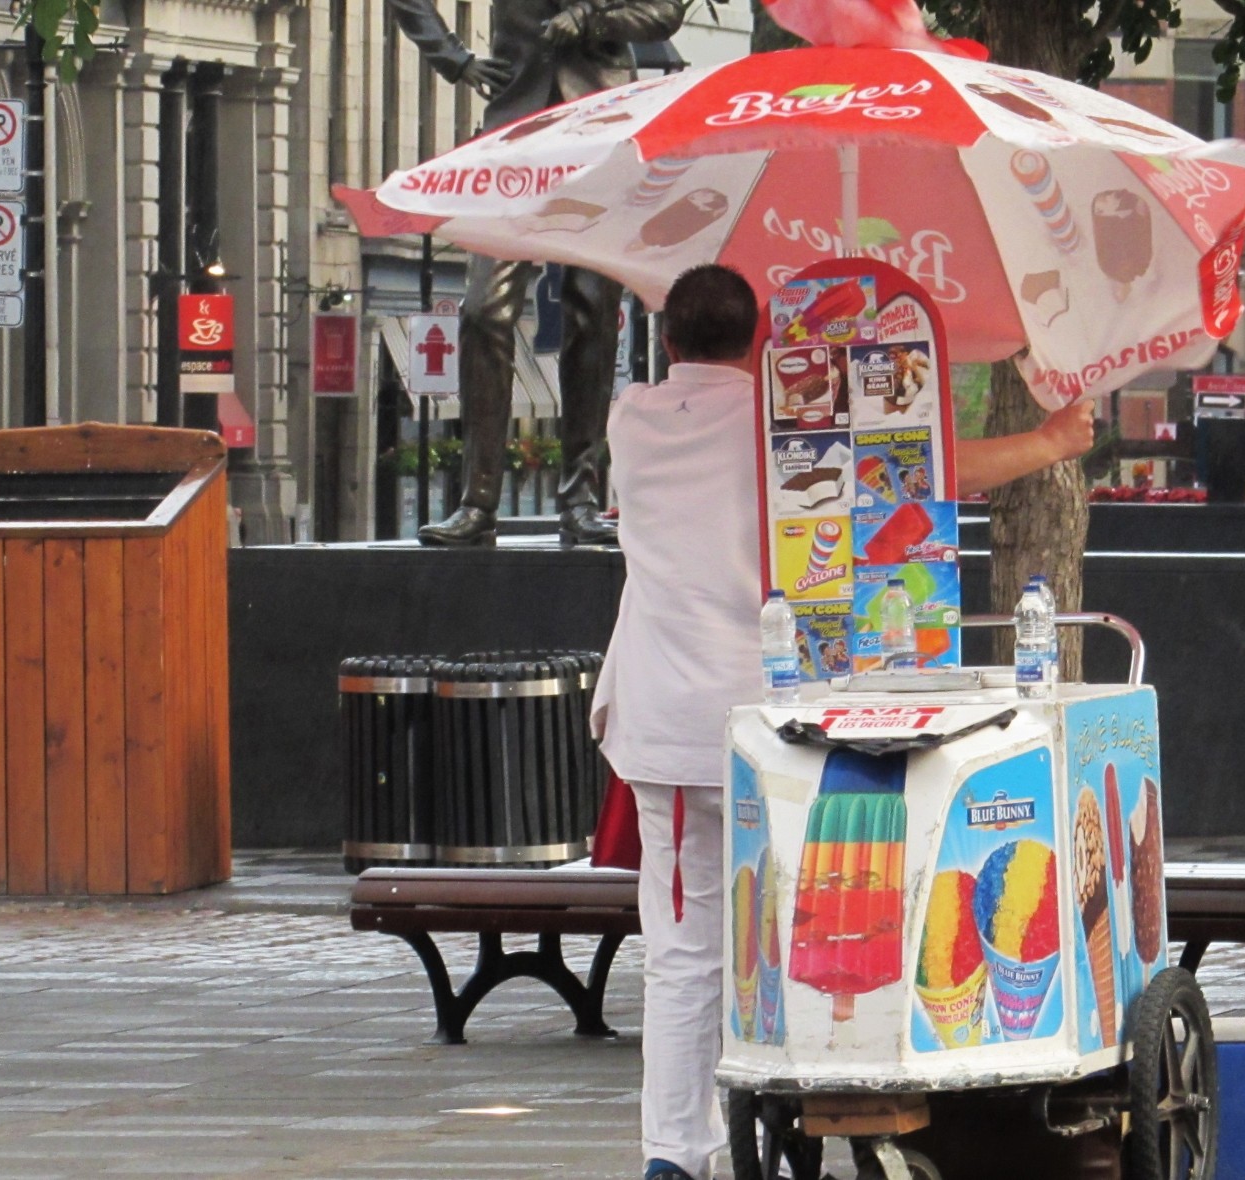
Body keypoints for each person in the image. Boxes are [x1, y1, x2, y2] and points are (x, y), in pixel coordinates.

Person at [587, 264, 1095, 1180]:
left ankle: (675, 1152)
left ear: (667, 340)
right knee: (819, 924)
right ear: (759, 339)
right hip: (788, 723)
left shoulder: (632, 420)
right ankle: (821, 1122)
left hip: (669, 728)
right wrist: (1050, 439)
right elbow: (930, 472)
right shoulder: (791, 422)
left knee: (684, 951)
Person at [388, 0, 686, 547]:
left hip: (602, 128)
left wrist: (593, 19)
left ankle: (580, 498)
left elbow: (664, 11)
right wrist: (453, 58)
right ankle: (477, 501)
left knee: (591, 310)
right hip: (516, 132)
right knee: (484, 311)